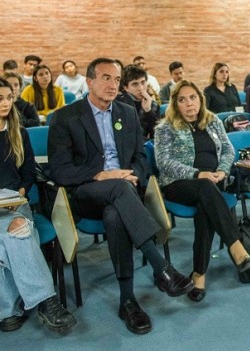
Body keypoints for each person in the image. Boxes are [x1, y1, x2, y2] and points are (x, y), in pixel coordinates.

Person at [48, 58, 193, 335]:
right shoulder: (66, 117)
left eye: (116, 79)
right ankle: (161, 267)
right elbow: (60, 170)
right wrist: (101, 175)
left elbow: (140, 156)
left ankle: (128, 301)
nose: (112, 85)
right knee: (118, 188)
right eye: (105, 78)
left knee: (115, 214)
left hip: (124, 192)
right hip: (87, 193)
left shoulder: (127, 113)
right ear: (89, 82)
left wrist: (134, 175)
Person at [0, 77, 76, 333]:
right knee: (21, 234)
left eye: (9, 98)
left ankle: (5, 310)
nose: (6, 103)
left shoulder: (18, 132)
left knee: (17, 230)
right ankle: (46, 301)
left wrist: (20, 192)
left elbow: (29, 171)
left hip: (14, 204)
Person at [154, 81, 250, 302]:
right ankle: (236, 247)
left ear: (200, 99)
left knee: (205, 206)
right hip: (179, 183)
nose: (189, 104)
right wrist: (196, 173)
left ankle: (198, 274)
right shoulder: (165, 128)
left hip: (212, 182)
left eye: (193, 97)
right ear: (175, 104)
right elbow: (163, 162)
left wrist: (221, 170)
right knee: (206, 188)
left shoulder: (213, 121)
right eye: (182, 100)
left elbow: (229, 149)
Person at [116, 64, 159, 139]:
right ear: (126, 87)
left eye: (143, 82)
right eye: (135, 84)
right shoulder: (118, 103)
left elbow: (156, 135)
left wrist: (148, 111)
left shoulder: (153, 105)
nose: (141, 88)